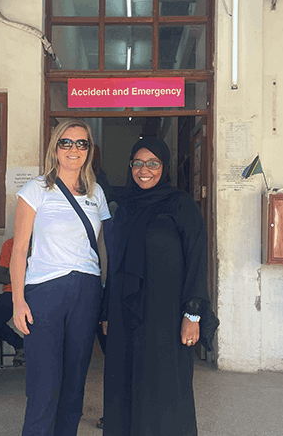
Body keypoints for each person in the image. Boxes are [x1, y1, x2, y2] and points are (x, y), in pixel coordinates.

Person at [101, 137, 210, 436]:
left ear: (164, 167)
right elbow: (116, 262)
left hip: (167, 314)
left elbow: (197, 258)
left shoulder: (181, 204)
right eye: (137, 163)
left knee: (165, 384)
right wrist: (107, 311)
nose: (144, 170)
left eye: (152, 163)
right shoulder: (125, 208)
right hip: (125, 312)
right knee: (125, 381)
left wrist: (193, 314)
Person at [11, 119, 111, 436]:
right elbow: (19, 250)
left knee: (74, 382)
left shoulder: (96, 193)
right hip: (45, 292)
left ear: (89, 150)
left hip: (87, 290)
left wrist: (105, 294)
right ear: (55, 148)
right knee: (43, 384)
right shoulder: (36, 190)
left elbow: (102, 248)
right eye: (66, 142)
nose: (73, 149)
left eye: (81, 143)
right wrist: (18, 302)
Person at [0, 237, 25, 365]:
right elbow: (2, 277)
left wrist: (14, 274)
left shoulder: (43, 242)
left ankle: (35, 353)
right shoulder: (10, 244)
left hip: (36, 292)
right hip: (12, 292)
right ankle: (21, 346)